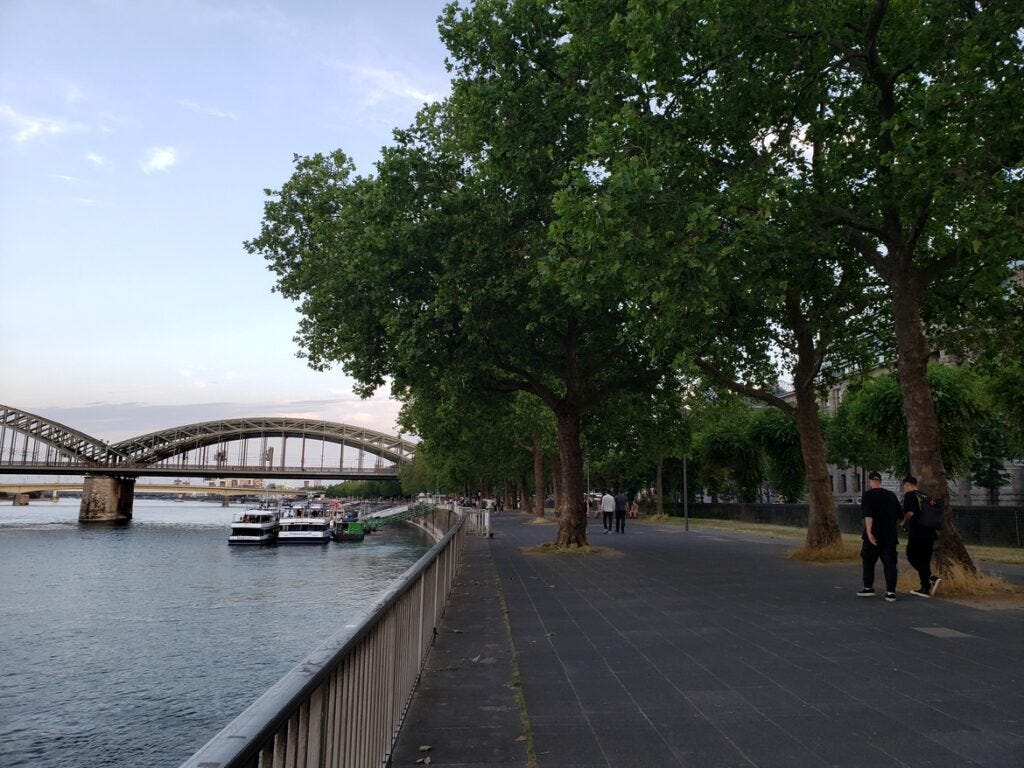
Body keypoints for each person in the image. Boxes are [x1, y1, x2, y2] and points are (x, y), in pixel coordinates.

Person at [858, 471, 902, 602]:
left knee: (868, 561)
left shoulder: (868, 495)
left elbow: (868, 514)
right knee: (890, 563)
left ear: (870, 481)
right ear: (880, 481)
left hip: (875, 534)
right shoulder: (891, 495)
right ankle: (890, 592)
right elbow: (900, 515)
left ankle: (868, 587)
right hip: (889, 534)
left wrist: (869, 532)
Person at [902, 476, 941, 597]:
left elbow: (910, 513)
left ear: (908, 485)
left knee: (911, 555)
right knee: (924, 559)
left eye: (904, 487)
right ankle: (925, 586)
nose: (904, 489)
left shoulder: (910, 495)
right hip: (930, 533)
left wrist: (903, 523)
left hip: (917, 533)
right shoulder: (926, 496)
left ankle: (930, 579)